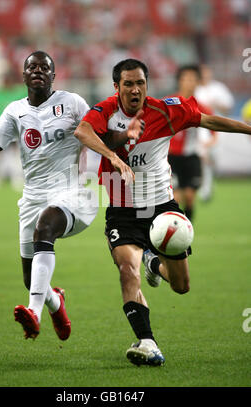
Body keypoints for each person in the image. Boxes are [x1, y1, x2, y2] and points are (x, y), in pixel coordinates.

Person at [74, 58, 251, 366]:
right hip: (122, 211)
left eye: (140, 83)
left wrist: (249, 130)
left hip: (162, 210)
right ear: (116, 87)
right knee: (127, 271)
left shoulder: (167, 111)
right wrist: (112, 158)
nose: (134, 89)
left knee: (182, 286)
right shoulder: (105, 111)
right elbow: (83, 131)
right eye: (127, 84)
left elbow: (209, 121)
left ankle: (154, 264)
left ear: (147, 85)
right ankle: (147, 342)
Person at [0, 51, 131, 342]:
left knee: (45, 227)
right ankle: (56, 304)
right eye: (31, 67)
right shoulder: (14, 111)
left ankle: (34, 313)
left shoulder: (72, 102)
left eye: (44, 67)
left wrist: (126, 135)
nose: (37, 71)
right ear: (23, 76)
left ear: (53, 75)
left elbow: (100, 134)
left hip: (71, 193)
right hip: (32, 198)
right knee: (30, 278)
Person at [168, 64, 217, 222]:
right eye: (186, 79)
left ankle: (186, 230)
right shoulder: (167, 104)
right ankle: (172, 230)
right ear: (179, 81)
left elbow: (214, 134)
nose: (189, 82)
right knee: (175, 199)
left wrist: (206, 145)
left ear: (198, 82)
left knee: (189, 197)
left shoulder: (202, 108)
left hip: (191, 157)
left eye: (193, 79)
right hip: (170, 158)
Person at [195, 64, 234, 201]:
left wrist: (216, 105)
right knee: (204, 157)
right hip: (201, 128)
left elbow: (228, 108)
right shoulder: (195, 89)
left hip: (218, 127)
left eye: (207, 73)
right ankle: (205, 188)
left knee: (213, 158)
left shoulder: (219, 88)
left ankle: (209, 182)